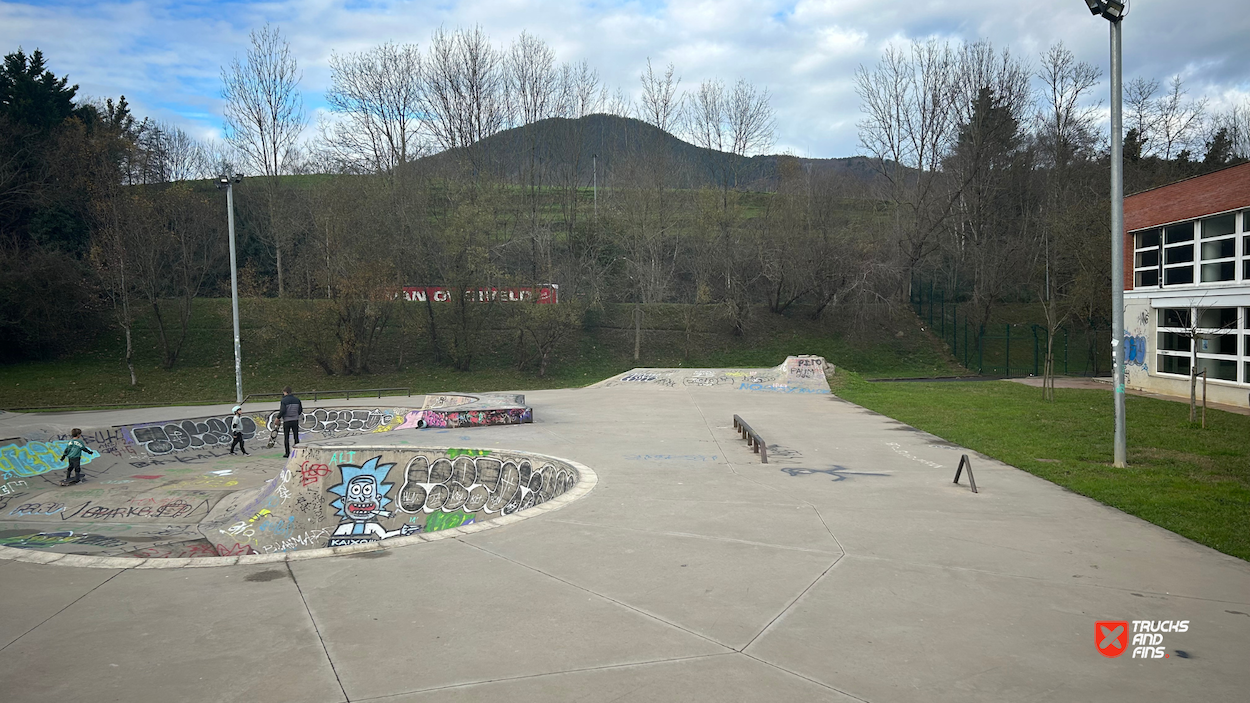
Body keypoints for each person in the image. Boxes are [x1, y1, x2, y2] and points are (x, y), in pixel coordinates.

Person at [278, 386, 303, 458]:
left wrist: (278, 418)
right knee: (296, 436)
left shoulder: (284, 400)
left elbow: (282, 410)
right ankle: (297, 451)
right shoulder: (297, 400)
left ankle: (287, 453)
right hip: (295, 420)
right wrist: (295, 415)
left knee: (286, 437)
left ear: (285, 392)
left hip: (287, 421)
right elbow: (300, 410)